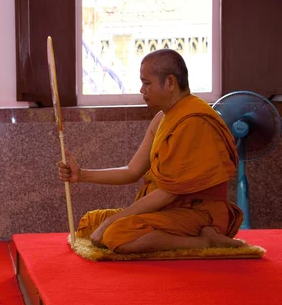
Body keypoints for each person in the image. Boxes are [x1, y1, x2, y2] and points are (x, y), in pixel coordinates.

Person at [58, 49, 245, 254]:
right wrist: (82, 174)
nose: (142, 90)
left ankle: (205, 242)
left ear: (170, 83)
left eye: (147, 83)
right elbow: (132, 170)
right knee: (90, 222)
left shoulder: (193, 121)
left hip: (199, 213)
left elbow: (168, 194)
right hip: (170, 210)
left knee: (115, 233)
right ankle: (194, 237)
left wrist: (112, 221)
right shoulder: (162, 118)